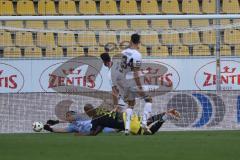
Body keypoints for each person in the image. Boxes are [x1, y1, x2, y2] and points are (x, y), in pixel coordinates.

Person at [101, 33, 151, 135]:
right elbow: (136, 73)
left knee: (131, 104)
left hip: (123, 82)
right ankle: (144, 123)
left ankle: (127, 129)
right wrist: (140, 87)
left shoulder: (123, 52)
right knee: (148, 99)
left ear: (131, 41)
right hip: (132, 81)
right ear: (139, 42)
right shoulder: (137, 55)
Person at [83, 103, 180, 136]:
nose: (87, 114)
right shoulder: (101, 110)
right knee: (148, 121)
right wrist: (119, 128)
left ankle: (166, 116)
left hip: (128, 124)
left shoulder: (95, 119)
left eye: (86, 112)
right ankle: (167, 112)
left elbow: (93, 133)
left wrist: (81, 135)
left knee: (150, 132)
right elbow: (103, 124)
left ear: (88, 111)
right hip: (127, 116)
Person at [43, 111, 115, 135]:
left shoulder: (79, 117)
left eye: (69, 115)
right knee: (115, 130)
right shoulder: (72, 127)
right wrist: (50, 129)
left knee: (116, 127)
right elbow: (62, 130)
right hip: (99, 130)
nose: (68, 117)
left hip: (99, 125)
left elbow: (71, 119)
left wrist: (56, 121)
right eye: (67, 116)